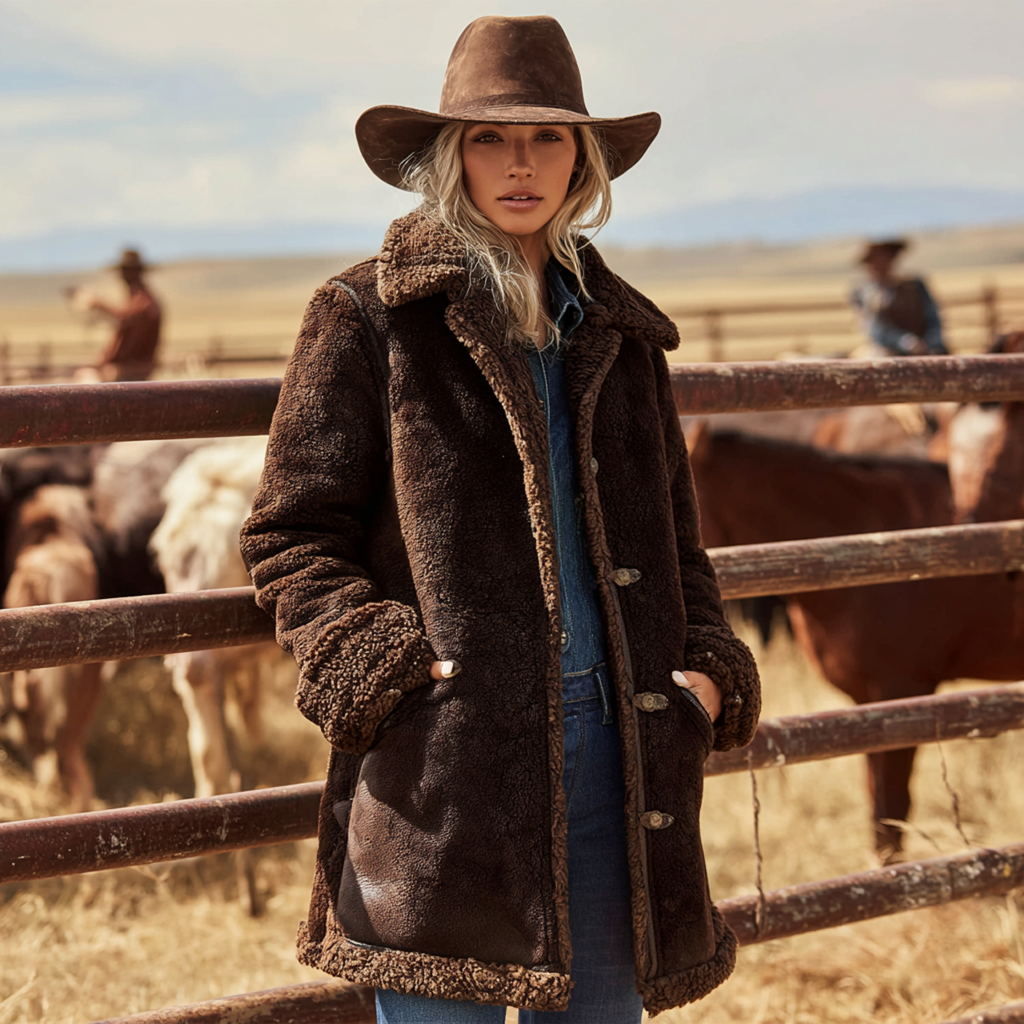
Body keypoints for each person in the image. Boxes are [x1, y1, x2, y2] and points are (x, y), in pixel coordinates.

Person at [240, 15, 760, 1023]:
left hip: (623, 752)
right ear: (450, 155)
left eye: (548, 138)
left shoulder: (621, 333)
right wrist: (378, 666)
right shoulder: (369, 315)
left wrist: (702, 669)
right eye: (490, 138)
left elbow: (676, 539)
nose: (520, 164)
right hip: (449, 754)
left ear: (583, 159)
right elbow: (290, 532)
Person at [72, 248, 162, 382]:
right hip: (126, 367)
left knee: (88, 381)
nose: (123, 275)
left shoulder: (144, 302)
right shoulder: (137, 300)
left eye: (126, 270)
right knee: (86, 374)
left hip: (135, 369)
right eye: (123, 270)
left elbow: (124, 316)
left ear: (137, 272)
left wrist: (99, 303)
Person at [851, 238, 948, 356]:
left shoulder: (914, 285)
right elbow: (874, 328)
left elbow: (932, 317)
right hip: (889, 349)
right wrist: (905, 342)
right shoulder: (863, 292)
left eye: (887, 257)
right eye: (877, 259)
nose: (883, 263)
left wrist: (932, 342)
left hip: (926, 346)